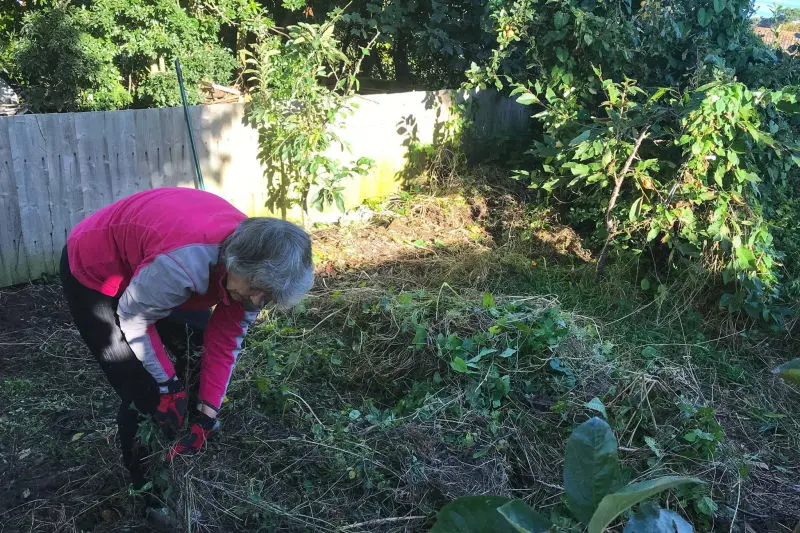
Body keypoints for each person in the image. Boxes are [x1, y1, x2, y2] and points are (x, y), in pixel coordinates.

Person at [59, 187, 314, 490]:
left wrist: (208, 415)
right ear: (235, 261)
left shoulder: (255, 273)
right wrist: (167, 385)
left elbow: (223, 343)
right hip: (96, 269)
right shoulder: (184, 263)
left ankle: (188, 423)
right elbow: (134, 316)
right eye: (257, 289)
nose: (257, 301)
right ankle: (150, 488)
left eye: (267, 295)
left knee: (199, 347)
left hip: (156, 265)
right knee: (143, 389)